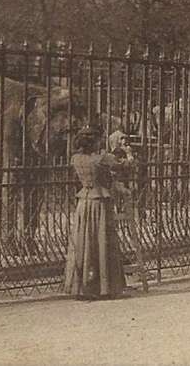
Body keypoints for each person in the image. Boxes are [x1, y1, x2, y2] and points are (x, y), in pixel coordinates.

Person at [64, 125, 127, 300]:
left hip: (83, 202)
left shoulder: (75, 159)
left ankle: (83, 287)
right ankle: (104, 287)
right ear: (95, 141)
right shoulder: (103, 158)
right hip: (99, 202)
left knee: (83, 242)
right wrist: (129, 155)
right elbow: (124, 166)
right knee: (101, 241)